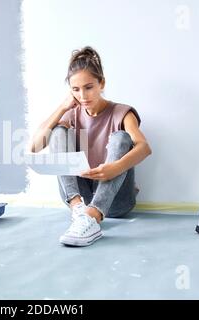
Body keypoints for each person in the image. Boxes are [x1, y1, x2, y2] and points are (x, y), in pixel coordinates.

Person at [30, 46, 152, 247]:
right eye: (76, 90)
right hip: (80, 199)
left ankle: (93, 216)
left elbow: (144, 148)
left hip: (116, 201)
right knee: (58, 131)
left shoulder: (122, 112)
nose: (83, 96)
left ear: (101, 83)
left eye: (88, 87)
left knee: (122, 137)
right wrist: (62, 108)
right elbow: (34, 147)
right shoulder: (73, 112)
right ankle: (80, 212)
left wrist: (115, 168)